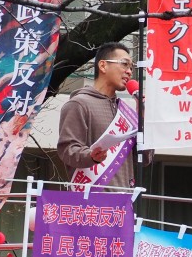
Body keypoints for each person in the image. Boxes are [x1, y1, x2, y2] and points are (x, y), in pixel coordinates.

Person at [57, 41, 136, 188]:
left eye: (131, 67)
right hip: (91, 202)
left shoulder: (126, 113)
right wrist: (91, 156)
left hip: (124, 202)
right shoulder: (79, 104)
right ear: (103, 66)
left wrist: (143, 113)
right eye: (124, 64)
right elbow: (67, 150)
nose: (129, 71)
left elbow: (143, 159)